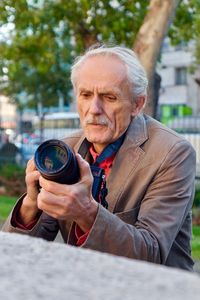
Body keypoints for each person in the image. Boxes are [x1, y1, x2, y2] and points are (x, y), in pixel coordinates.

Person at [2, 45, 196, 271]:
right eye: (85, 95)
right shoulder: (65, 149)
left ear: (137, 104)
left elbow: (150, 254)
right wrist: (31, 205)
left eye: (109, 97)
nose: (94, 109)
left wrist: (86, 213)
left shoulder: (173, 153)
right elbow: (16, 257)